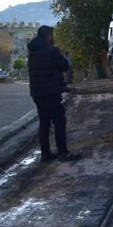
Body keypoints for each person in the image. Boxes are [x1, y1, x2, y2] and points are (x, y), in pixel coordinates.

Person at [27, 25, 81, 163]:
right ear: (48, 36)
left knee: (44, 123)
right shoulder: (51, 50)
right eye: (52, 35)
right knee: (59, 122)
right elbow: (64, 65)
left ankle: (45, 154)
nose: (53, 37)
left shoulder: (32, 51)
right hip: (51, 92)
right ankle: (63, 153)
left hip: (37, 93)